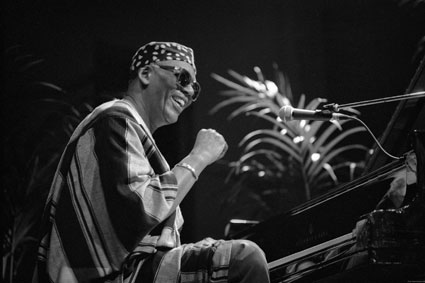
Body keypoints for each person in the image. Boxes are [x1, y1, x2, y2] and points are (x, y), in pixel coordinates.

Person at [34, 41, 270, 282]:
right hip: (117, 275)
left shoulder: (129, 129)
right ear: (146, 74)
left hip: (132, 270)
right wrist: (199, 156)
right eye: (183, 79)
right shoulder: (115, 118)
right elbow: (140, 210)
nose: (189, 92)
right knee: (244, 258)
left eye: (194, 88)